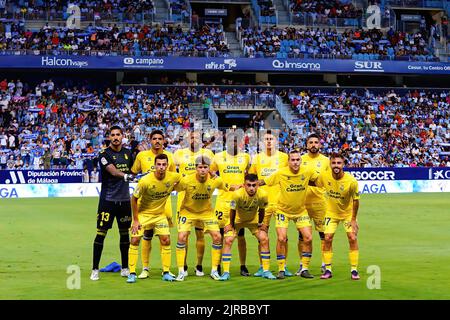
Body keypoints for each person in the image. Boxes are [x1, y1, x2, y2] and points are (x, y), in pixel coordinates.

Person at [260, 149, 319, 279]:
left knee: (308, 238)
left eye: (298, 160)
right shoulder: (281, 172)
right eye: (293, 160)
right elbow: (264, 182)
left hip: (300, 211)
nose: (295, 162)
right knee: (281, 238)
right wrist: (246, 186)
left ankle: (304, 268)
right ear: (288, 161)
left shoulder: (307, 171)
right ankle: (281, 268)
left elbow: (319, 180)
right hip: (283, 211)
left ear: (301, 160)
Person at [174, 156, 233, 281]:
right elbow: (174, 188)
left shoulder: (215, 180)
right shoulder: (186, 180)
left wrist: (239, 186)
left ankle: (214, 270)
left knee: (217, 236)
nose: (202, 170)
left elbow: (227, 187)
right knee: (181, 236)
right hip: (187, 212)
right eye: (200, 167)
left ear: (209, 168)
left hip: (206, 212)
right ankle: (180, 271)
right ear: (196, 168)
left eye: (205, 167)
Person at [90, 125, 136, 281]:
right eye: (113, 135)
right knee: (100, 234)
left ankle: (125, 267)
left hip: (124, 201)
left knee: (125, 235)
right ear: (109, 137)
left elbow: (135, 170)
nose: (116, 137)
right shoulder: (103, 154)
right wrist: (128, 177)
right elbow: (113, 171)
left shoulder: (128, 153)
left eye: (118, 134)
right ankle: (95, 269)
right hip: (107, 201)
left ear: (123, 136)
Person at [126, 154, 181, 283]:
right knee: (134, 240)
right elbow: (134, 199)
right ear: (155, 166)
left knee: (166, 240)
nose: (161, 167)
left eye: (164, 165)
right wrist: (136, 220)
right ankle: (132, 273)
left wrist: (174, 187)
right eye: (159, 164)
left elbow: (183, 179)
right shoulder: (145, 181)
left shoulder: (173, 176)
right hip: (143, 214)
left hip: (159, 215)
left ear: (167, 166)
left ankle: (166, 272)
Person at [313, 153, 361, 280]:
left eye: (339, 163)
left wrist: (354, 219)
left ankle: (354, 270)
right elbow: (314, 182)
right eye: (334, 163)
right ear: (330, 164)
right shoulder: (324, 176)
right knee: (327, 238)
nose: (336, 166)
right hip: (331, 214)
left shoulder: (351, 181)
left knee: (352, 237)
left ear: (343, 164)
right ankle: (328, 269)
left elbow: (356, 201)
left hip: (347, 214)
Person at [219, 174, 276, 281]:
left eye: (254, 185)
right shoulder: (237, 194)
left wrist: (260, 223)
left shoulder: (263, 194)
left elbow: (262, 209)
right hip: (237, 220)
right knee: (228, 240)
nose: (251, 188)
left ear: (258, 185)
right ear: (244, 185)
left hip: (252, 221)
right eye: (248, 185)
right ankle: (226, 272)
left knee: (264, 239)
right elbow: (232, 210)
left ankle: (266, 270)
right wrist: (231, 224)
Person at [173, 130, 215, 277]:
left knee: (200, 235)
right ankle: (182, 266)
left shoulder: (208, 154)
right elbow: (173, 172)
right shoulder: (179, 153)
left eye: (197, 137)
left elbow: (214, 173)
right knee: (183, 235)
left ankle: (199, 265)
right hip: (183, 200)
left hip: (202, 202)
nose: (194, 139)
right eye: (191, 136)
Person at [249, 129, 290, 276]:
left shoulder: (284, 158)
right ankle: (263, 266)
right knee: (262, 236)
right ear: (261, 142)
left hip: (281, 203)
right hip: (263, 204)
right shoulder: (257, 158)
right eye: (265, 139)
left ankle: (283, 266)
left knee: (283, 237)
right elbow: (251, 179)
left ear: (276, 141)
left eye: (271, 139)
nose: (268, 141)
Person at [211, 132, 250, 276]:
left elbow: (250, 175)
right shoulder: (218, 157)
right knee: (220, 236)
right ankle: (218, 265)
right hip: (222, 201)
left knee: (240, 235)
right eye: (231, 140)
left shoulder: (245, 157)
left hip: (239, 202)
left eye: (236, 140)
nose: (233, 142)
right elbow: (210, 172)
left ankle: (243, 265)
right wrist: (225, 184)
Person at [296, 133, 330, 275]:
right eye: (311, 142)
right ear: (307, 144)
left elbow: (330, 181)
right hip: (302, 203)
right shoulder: (300, 159)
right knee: (302, 236)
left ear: (320, 145)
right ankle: (302, 264)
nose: (313, 145)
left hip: (320, 203)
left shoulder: (326, 161)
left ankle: (325, 264)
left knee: (324, 235)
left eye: (316, 142)